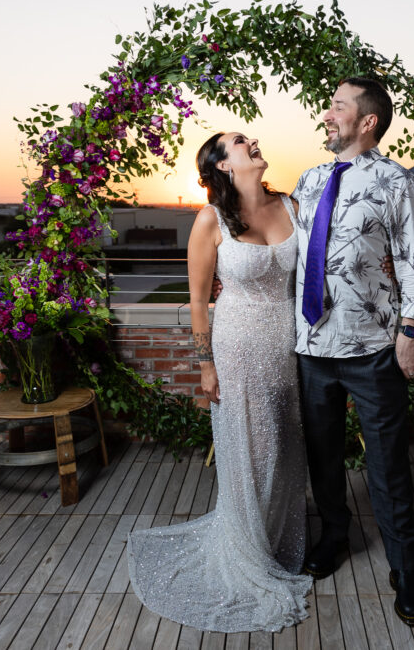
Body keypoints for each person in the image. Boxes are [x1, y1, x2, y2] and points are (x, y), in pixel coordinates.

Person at [126, 132, 311, 632]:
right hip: (236, 347)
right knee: (250, 449)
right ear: (223, 166)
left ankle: (275, 536)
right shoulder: (210, 220)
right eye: (238, 142)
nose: (253, 141)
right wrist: (205, 365)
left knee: (285, 445)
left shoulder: (292, 205)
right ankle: (246, 551)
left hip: (287, 345)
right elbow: (199, 301)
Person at [294, 77, 414, 627]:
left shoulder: (398, 182)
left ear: (367, 121)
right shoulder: (308, 180)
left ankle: (405, 572)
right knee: (322, 458)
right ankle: (334, 538)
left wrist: (410, 331)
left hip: (374, 349)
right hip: (311, 347)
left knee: (388, 467)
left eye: (337, 107)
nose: (326, 115)